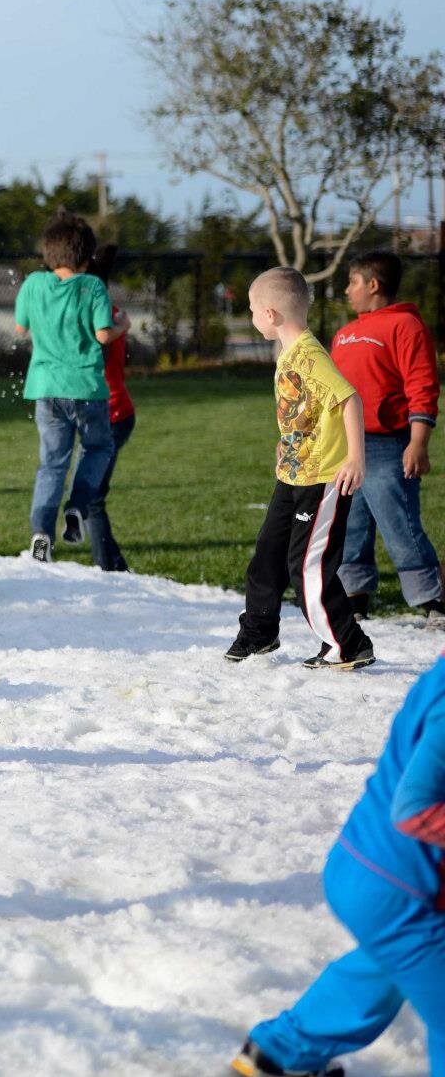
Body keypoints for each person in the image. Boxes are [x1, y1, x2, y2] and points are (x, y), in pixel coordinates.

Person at [229, 650, 444, 1076]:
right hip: (400, 886)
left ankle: (277, 1056)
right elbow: (414, 806)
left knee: (388, 965)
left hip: (370, 870)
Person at [224, 266, 375, 670]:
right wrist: (286, 442)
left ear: (271, 314)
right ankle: (260, 631)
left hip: (321, 480)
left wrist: (356, 458)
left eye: (253, 310)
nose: (252, 316)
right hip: (292, 475)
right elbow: (305, 411)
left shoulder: (309, 356)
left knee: (307, 565)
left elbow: (348, 400)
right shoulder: (291, 354)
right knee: (266, 556)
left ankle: (347, 643)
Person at [330, 249, 444, 623]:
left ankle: (433, 599)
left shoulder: (405, 326)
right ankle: (354, 595)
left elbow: (422, 386)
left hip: (387, 445)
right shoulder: (345, 334)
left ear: (373, 284)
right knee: (351, 523)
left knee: (400, 524)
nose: (347, 290)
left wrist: (418, 441)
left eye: (353, 282)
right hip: (347, 446)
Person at [13, 215, 124, 563]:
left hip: (46, 389)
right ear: (88, 257)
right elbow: (103, 334)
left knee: (52, 464)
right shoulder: (92, 287)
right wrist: (123, 326)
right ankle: (76, 507)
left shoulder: (33, 284)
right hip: (87, 389)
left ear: (48, 253)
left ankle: (41, 532)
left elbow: (20, 328)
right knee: (98, 448)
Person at [83, 244, 136, 573]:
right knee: (90, 496)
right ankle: (115, 566)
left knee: (90, 498)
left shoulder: (100, 318)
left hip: (110, 416)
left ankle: (111, 571)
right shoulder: (111, 313)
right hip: (112, 414)